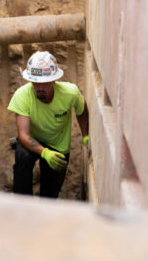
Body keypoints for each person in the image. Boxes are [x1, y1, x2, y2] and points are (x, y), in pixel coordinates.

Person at [8, 51, 89, 198]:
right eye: (35, 83)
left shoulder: (70, 93)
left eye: (44, 83)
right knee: (22, 157)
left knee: (50, 194)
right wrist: (45, 153)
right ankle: (21, 206)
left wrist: (86, 136)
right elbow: (23, 135)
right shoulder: (22, 96)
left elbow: (82, 110)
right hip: (32, 140)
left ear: (53, 80)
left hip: (58, 144)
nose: (39, 87)